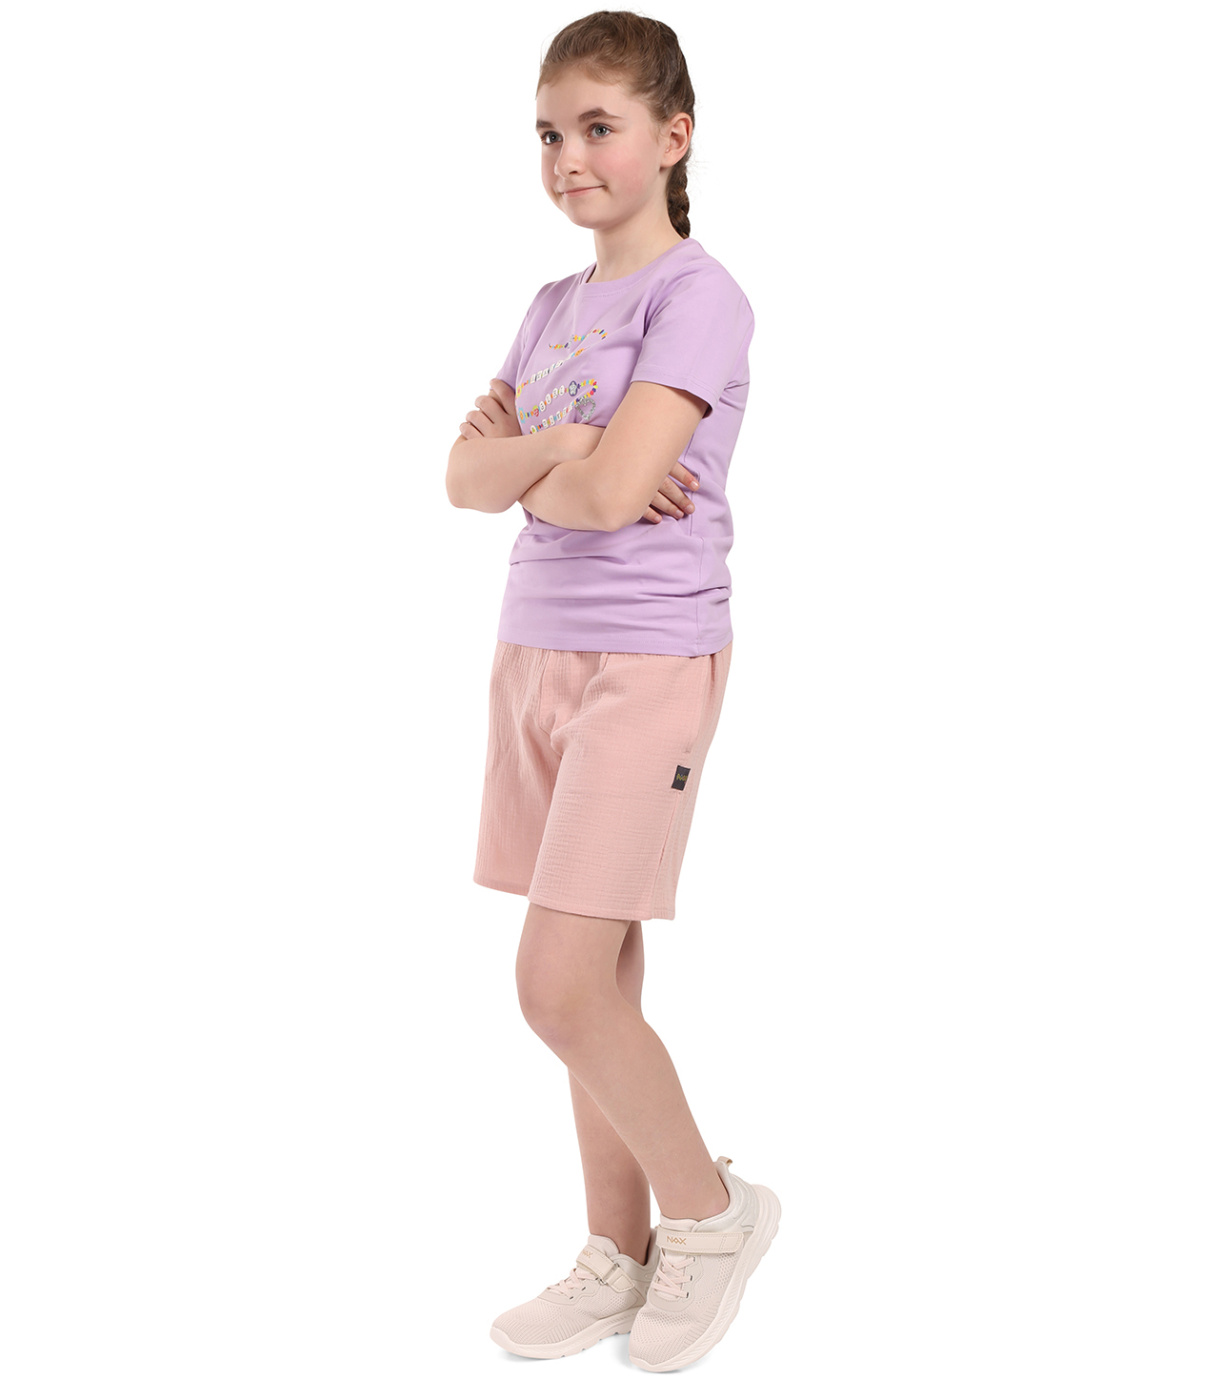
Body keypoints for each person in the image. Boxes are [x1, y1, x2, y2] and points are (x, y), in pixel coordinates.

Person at [445, 12, 780, 1371]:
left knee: (556, 984)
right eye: (549, 132)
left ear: (672, 137)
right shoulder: (550, 307)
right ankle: (619, 1250)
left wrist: (546, 458)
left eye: (599, 128)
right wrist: (575, 438)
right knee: (604, 972)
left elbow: (607, 495)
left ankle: (712, 1213)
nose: (569, 157)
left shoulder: (699, 297)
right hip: (535, 651)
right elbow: (460, 481)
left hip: (646, 659)